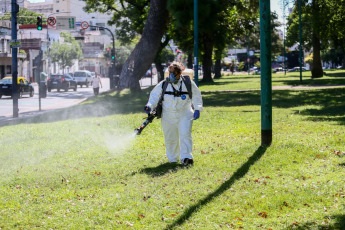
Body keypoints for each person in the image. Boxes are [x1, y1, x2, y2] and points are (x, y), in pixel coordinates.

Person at [144, 62, 203, 166]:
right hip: (168, 115)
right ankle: (172, 159)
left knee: (185, 135)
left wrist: (197, 108)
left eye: (174, 73)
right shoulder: (163, 84)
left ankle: (186, 158)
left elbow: (196, 95)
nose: (171, 75)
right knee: (170, 138)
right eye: (170, 72)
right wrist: (149, 105)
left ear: (180, 73)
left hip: (184, 113)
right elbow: (154, 96)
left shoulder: (188, 83)